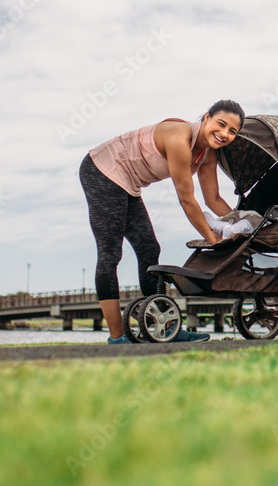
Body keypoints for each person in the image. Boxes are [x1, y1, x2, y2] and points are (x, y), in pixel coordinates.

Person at [79, 100, 245, 344]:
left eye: (232, 131)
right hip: (102, 169)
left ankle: (165, 331)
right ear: (207, 117)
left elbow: (213, 199)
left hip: (129, 183)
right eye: (221, 125)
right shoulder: (180, 138)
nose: (224, 134)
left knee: (149, 249)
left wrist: (245, 222)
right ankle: (117, 337)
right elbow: (187, 200)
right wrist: (213, 240)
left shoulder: (208, 153)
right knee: (110, 254)